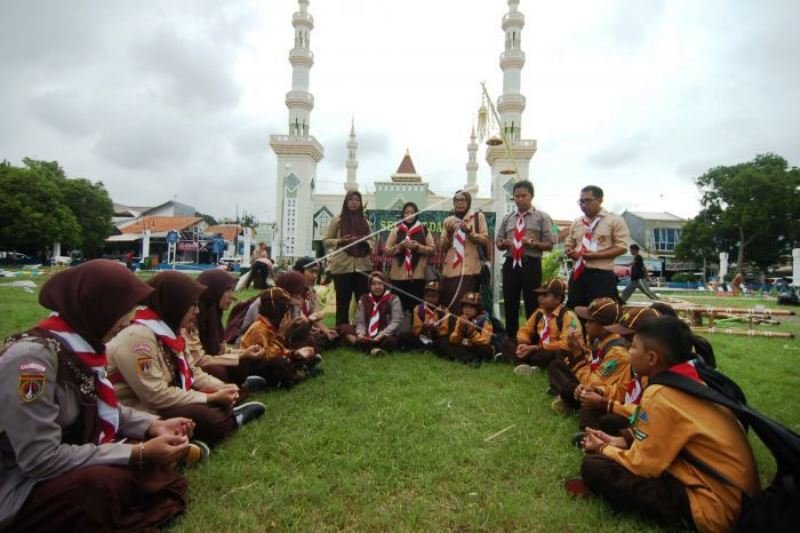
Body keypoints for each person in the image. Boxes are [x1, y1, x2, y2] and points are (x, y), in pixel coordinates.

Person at [0, 260, 191, 531]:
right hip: (19, 482)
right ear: (95, 307)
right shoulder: (32, 361)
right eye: (121, 311)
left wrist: (152, 425)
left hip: (70, 454)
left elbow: (101, 406)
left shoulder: (80, 348)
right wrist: (136, 453)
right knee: (103, 484)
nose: (126, 321)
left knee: (145, 467)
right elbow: (40, 459)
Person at [576, 317, 760, 532]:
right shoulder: (692, 381)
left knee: (594, 467)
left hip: (716, 509)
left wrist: (603, 448)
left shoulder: (660, 394)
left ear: (652, 357)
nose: (628, 351)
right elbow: (665, 438)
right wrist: (617, 441)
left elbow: (643, 466)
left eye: (633, 346)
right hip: (737, 498)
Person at [107, 272, 266, 446]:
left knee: (218, 399)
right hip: (139, 409)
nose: (196, 312)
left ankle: (221, 417)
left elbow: (192, 371)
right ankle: (229, 421)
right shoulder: (138, 337)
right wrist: (210, 398)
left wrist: (220, 387)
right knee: (209, 417)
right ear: (174, 305)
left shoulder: (170, 332)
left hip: (168, 398)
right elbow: (155, 395)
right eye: (191, 306)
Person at [575, 306, 663, 436]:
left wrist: (577, 357)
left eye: (630, 341)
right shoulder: (636, 362)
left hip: (647, 422)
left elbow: (647, 415)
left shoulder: (660, 375)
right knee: (588, 406)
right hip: (629, 408)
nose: (625, 344)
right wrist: (597, 391)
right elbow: (622, 389)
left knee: (609, 421)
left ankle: (604, 439)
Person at [187, 269, 267, 389]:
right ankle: (233, 388)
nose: (232, 296)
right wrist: (240, 356)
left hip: (211, 361)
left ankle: (234, 386)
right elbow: (199, 360)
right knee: (215, 370)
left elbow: (221, 349)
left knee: (246, 361)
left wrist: (243, 353)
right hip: (198, 367)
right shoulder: (192, 317)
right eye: (227, 290)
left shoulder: (212, 313)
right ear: (213, 290)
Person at [548, 297, 630, 415]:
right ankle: (565, 395)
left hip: (599, 391)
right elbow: (591, 365)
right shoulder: (599, 341)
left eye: (591, 321)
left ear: (604, 328)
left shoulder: (617, 353)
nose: (586, 325)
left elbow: (592, 384)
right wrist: (580, 350)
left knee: (570, 389)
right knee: (557, 364)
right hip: (589, 381)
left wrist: (578, 355)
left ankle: (567, 399)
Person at [495, 180, 554, 339]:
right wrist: (503, 243)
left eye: (524, 195)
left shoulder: (541, 217)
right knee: (510, 301)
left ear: (531, 196)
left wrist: (532, 243)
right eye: (516, 196)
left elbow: (549, 244)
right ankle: (511, 338)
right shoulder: (508, 218)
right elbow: (498, 241)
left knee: (532, 303)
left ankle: (532, 338)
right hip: (510, 264)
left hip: (530, 264)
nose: (520, 199)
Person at [239, 287, 321, 387]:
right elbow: (267, 355)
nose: (286, 314)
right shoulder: (259, 327)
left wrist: (294, 353)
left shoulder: (273, 324)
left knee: (307, 341)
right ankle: (295, 374)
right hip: (255, 366)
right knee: (278, 363)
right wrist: (282, 335)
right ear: (276, 311)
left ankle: (298, 370)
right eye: (284, 310)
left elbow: (282, 346)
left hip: (275, 357)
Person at [565, 185, 630, 309]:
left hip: (601, 275)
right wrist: (570, 252)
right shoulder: (577, 222)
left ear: (600, 200)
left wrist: (596, 255)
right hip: (578, 273)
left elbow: (621, 247)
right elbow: (569, 244)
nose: (583, 204)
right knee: (574, 311)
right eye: (581, 201)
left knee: (600, 314)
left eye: (588, 200)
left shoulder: (614, 220)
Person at [503, 278, 582, 375]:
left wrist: (536, 347)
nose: (540, 298)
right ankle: (527, 365)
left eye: (545, 295)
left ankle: (525, 363)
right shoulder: (539, 313)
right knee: (508, 342)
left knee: (558, 354)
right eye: (539, 295)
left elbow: (566, 344)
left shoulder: (568, 316)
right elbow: (524, 330)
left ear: (558, 298)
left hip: (551, 351)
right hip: (538, 350)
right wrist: (523, 344)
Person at [324, 190, 375, 326]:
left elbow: (373, 241)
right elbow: (327, 240)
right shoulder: (338, 220)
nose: (354, 203)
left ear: (360, 203)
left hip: (363, 266)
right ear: (346, 202)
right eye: (351, 200)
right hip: (342, 267)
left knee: (362, 300)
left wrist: (364, 242)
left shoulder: (365, 222)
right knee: (343, 300)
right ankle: (342, 329)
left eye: (357, 200)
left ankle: (362, 328)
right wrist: (341, 241)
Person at [439, 190, 489, 315]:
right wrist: (450, 234)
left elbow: (484, 240)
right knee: (449, 305)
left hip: (470, 271)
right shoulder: (448, 221)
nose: (460, 203)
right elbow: (442, 247)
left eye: (463, 200)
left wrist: (469, 232)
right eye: (457, 200)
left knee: (467, 307)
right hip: (451, 271)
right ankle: (448, 332)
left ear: (469, 202)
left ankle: (467, 331)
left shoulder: (478, 217)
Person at [384, 202, 436, 313]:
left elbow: (432, 250)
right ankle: (398, 330)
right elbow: (387, 250)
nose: (409, 215)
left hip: (417, 277)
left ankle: (415, 329)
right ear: (402, 215)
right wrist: (400, 246)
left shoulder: (424, 230)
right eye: (406, 212)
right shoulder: (396, 230)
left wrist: (418, 247)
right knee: (398, 309)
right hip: (398, 278)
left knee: (416, 310)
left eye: (412, 212)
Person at [340, 271, 403, 356]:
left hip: (384, 333)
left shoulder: (394, 299)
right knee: (344, 328)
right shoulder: (363, 298)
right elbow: (360, 321)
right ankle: (373, 348)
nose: (377, 287)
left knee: (391, 341)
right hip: (367, 332)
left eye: (380, 284)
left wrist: (382, 334)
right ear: (369, 286)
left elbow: (396, 322)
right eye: (373, 284)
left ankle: (364, 347)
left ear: (385, 285)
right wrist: (361, 333)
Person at [293, 256, 339, 349]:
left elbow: (315, 315)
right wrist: (308, 326)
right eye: (311, 271)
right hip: (293, 331)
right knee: (309, 340)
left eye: (316, 272)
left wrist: (326, 331)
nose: (314, 276)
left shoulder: (312, 291)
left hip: (307, 328)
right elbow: (296, 319)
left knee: (338, 332)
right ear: (299, 272)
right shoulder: (291, 292)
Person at [442, 291, 494, 366]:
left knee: (485, 349)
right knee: (445, 342)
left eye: (471, 307)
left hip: (477, 346)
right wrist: (460, 329)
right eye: (465, 306)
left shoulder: (485, 320)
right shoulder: (461, 318)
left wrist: (471, 333)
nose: (467, 310)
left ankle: (464, 357)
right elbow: (453, 339)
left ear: (478, 308)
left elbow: (485, 341)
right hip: (464, 346)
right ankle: (471, 358)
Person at [399, 280, 451, 354]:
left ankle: (427, 348)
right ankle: (429, 348)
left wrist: (436, 330)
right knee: (403, 336)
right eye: (428, 296)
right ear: (424, 296)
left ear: (439, 297)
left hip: (436, 338)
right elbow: (416, 330)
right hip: (422, 337)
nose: (431, 299)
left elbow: (444, 331)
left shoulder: (445, 310)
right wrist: (424, 328)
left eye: (434, 296)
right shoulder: (418, 309)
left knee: (444, 342)